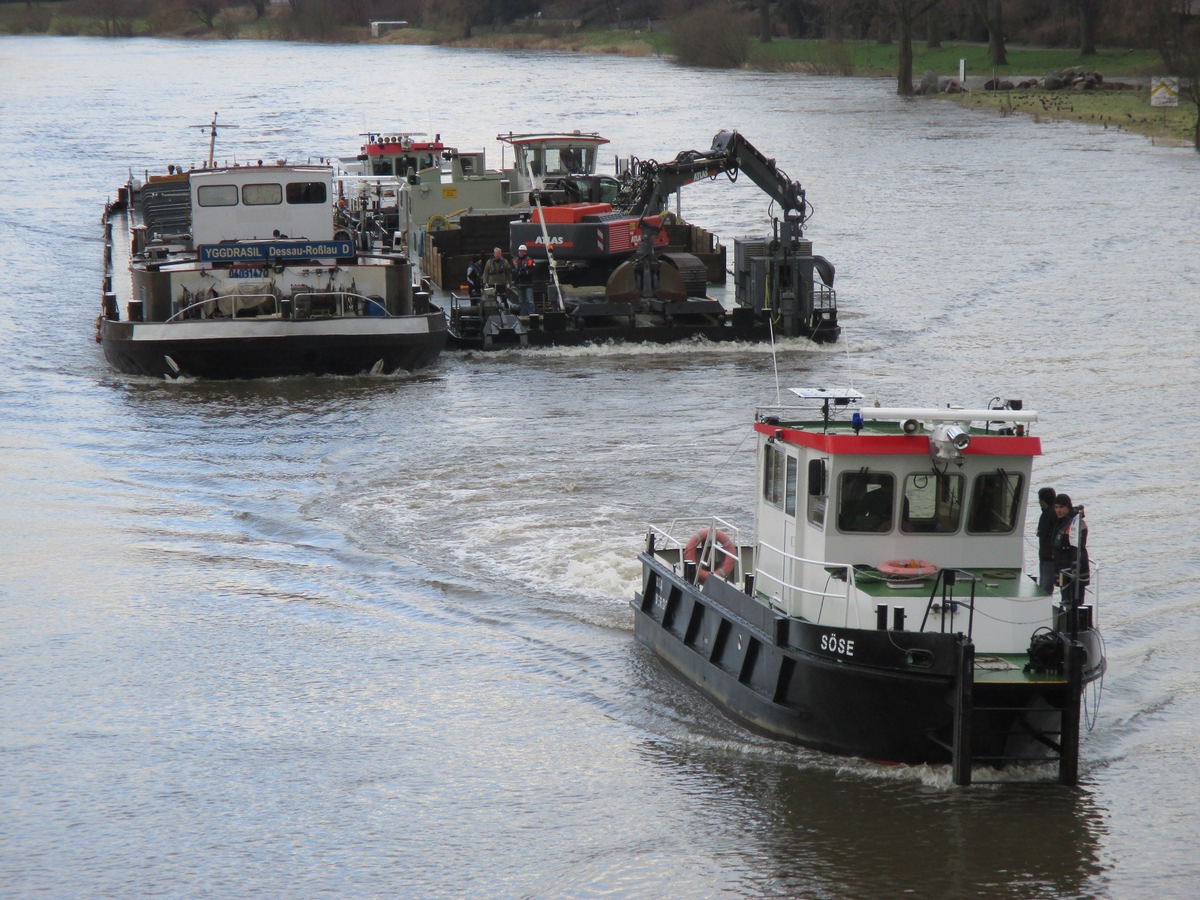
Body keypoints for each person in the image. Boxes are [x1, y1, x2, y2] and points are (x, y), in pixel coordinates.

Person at [1051, 492, 1089, 607]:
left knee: (1075, 600)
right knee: (1065, 597)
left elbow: (1077, 547)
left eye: (1061, 507)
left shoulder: (1076, 524)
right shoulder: (1061, 521)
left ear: (1068, 507)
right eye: (1056, 507)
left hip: (1072, 568)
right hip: (1062, 567)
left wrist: (1074, 567)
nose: (1058, 510)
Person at [1036, 486, 1057, 591]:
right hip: (1046, 554)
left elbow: (1044, 533)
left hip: (1048, 555)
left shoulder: (1049, 514)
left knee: (1045, 585)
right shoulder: (1049, 512)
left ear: (1043, 501)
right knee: (1045, 583)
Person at [512, 243, 537, 316]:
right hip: (519, 284)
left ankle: (531, 315)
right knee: (521, 301)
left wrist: (523, 272)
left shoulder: (529, 260)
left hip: (528, 284)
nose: (521, 253)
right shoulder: (515, 260)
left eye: (522, 251)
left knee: (529, 300)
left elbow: (532, 270)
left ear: (525, 252)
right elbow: (512, 270)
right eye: (520, 251)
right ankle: (523, 315)